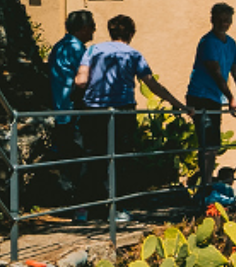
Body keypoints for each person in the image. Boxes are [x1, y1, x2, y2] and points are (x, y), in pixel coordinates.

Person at [71, 14, 189, 223]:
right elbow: (152, 84)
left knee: (91, 160)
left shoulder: (93, 50)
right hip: (122, 111)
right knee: (119, 160)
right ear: (131, 34)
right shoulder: (134, 55)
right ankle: (117, 209)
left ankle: (83, 210)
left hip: (94, 110)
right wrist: (178, 104)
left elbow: (81, 81)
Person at [186, 3, 236, 195]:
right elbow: (215, 72)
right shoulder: (207, 42)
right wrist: (231, 98)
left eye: (227, 21)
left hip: (214, 97)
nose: (224, 24)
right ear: (212, 20)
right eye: (221, 20)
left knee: (213, 143)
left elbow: (235, 72)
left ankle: (206, 183)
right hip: (200, 96)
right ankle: (205, 187)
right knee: (208, 143)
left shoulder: (231, 43)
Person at [46, 10, 94, 196]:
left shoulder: (60, 46)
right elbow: (84, 79)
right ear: (83, 28)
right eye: (92, 27)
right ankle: (78, 201)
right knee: (79, 156)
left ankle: (68, 197)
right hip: (74, 110)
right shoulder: (76, 49)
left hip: (60, 109)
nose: (93, 31)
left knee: (67, 157)